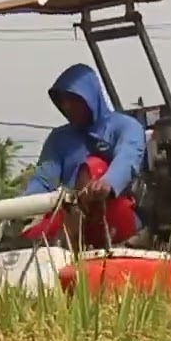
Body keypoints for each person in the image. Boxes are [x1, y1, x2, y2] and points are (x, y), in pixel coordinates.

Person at [20, 63, 146, 248]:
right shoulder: (59, 139)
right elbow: (43, 180)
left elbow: (127, 158)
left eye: (74, 99)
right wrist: (22, 207)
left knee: (93, 166)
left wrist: (107, 183)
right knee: (29, 237)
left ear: (90, 97)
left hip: (113, 216)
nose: (67, 106)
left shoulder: (125, 126)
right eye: (63, 101)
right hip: (70, 220)